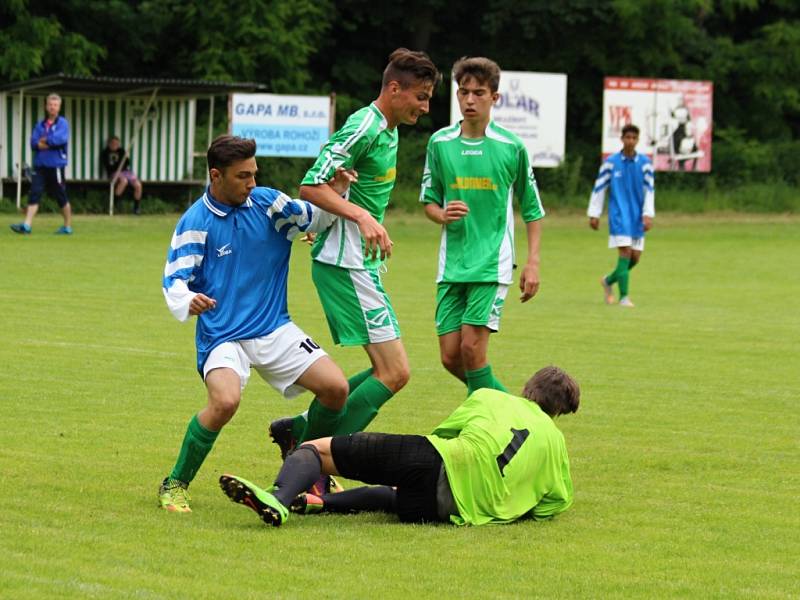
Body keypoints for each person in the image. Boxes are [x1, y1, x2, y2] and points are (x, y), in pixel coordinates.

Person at [157, 135, 360, 513]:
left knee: (336, 388)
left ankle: (305, 459)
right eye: (242, 176)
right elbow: (175, 279)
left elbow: (313, 218)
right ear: (216, 176)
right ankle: (175, 484)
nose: (252, 183)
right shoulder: (195, 222)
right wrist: (189, 299)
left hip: (273, 326)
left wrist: (337, 189)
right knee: (225, 402)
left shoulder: (267, 203)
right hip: (223, 335)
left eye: (254, 174)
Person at [268, 48, 442, 457]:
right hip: (344, 264)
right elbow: (311, 185)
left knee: (392, 370)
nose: (425, 106)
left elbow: (335, 185)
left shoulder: (389, 129)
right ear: (395, 89)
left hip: (359, 263)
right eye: (421, 96)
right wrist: (361, 217)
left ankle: (301, 433)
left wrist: (348, 208)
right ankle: (315, 459)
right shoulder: (365, 125)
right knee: (395, 371)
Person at [219, 365, 579, 527]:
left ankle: (278, 500)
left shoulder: (492, 397)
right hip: (454, 510)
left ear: (528, 388)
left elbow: (445, 433)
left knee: (316, 449)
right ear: (559, 410)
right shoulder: (556, 445)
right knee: (392, 497)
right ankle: (319, 502)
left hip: (439, 460)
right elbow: (553, 505)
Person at [419, 57, 545, 395]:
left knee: (472, 351)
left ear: (495, 98)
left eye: (478, 93)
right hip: (451, 264)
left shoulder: (511, 147)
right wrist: (441, 214)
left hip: (492, 264)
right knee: (450, 357)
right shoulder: (440, 144)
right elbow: (429, 201)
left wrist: (532, 263)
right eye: (464, 92)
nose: (470, 100)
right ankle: (512, 408)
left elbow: (533, 210)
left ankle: (490, 423)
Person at [588, 124, 655, 308]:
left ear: (638, 140)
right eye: (628, 137)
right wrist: (594, 213)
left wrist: (648, 214)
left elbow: (649, 191)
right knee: (625, 252)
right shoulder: (611, 162)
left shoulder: (645, 164)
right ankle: (624, 297)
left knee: (635, 258)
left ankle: (608, 281)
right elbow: (599, 187)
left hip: (637, 216)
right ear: (622, 139)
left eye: (634, 138)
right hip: (618, 215)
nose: (630, 141)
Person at [11, 93, 72, 235]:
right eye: (50, 104)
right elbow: (33, 143)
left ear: (59, 107)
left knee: (60, 196)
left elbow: (60, 140)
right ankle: (26, 226)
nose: (52, 107)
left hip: (56, 165)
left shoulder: (63, 123)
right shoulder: (39, 124)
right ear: (46, 106)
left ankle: (67, 226)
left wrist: (44, 141)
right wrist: (45, 142)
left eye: (55, 105)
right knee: (35, 193)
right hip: (40, 166)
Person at [100, 135, 143, 214]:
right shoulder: (105, 153)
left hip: (125, 172)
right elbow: (108, 167)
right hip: (114, 173)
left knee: (138, 185)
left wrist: (126, 158)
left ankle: (136, 208)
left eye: (117, 144)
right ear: (109, 144)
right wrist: (117, 165)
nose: (115, 145)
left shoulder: (121, 151)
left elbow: (126, 164)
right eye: (113, 143)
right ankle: (114, 204)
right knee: (124, 181)